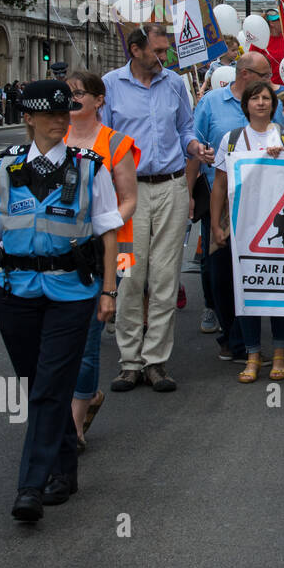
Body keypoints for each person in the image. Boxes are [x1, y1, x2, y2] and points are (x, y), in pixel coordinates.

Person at [0, 80, 122, 521]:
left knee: (49, 387)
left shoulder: (91, 167)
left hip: (71, 293)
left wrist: (109, 290)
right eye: (52, 115)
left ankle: (30, 487)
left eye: (67, 113)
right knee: (39, 387)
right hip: (15, 293)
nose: (61, 120)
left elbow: (108, 231)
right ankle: (64, 471)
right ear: (30, 119)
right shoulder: (4, 168)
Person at [101, 24, 213, 393]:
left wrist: (195, 146)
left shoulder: (175, 84)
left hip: (171, 189)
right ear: (135, 49)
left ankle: (156, 363)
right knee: (129, 274)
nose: (164, 58)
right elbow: (103, 142)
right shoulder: (111, 84)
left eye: (166, 51)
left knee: (165, 279)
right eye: (158, 51)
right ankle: (129, 362)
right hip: (128, 196)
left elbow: (185, 127)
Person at [208, 81, 284, 383]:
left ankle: (278, 352)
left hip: (282, 226)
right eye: (255, 98)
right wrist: (215, 224)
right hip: (243, 225)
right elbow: (220, 184)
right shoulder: (233, 139)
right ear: (246, 104)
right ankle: (252, 354)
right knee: (246, 289)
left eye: (266, 98)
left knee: (278, 288)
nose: (261, 103)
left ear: (274, 105)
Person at [63, 71, 139, 451]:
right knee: (68, 335)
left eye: (79, 93)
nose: (72, 98)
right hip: (62, 253)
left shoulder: (117, 143)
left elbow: (129, 200)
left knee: (92, 331)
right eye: (68, 93)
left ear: (98, 101)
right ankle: (87, 396)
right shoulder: (52, 140)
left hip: (115, 252)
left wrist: (98, 225)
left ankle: (74, 426)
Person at [193, 52, 284, 357]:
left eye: (267, 96)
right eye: (264, 77)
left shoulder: (278, 112)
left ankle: (244, 342)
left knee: (257, 274)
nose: (266, 94)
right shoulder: (211, 103)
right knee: (218, 273)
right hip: (223, 207)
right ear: (245, 75)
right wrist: (190, 195)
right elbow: (195, 147)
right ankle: (229, 329)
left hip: (268, 213)